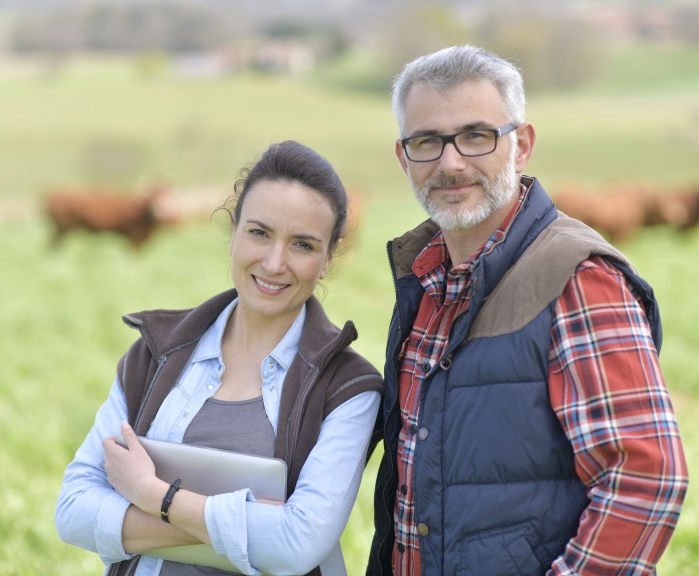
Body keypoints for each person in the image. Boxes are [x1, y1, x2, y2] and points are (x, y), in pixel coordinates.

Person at [367, 45, 689, 576]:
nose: (450, 163)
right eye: (427, 141)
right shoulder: (425, 282)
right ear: (403, 157)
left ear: (521, 146)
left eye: (476, 136)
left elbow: (646, 479)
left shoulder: (576, 277)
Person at [56, 140, 383, 576]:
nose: (273, 262)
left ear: (327, 259)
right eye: (259, 233)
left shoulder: (348, 388)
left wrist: (152, 495)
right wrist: (247, 524)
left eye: (302, 245)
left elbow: (296, 546)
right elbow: (74, 509)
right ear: (233, 233)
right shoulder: (154, 354)